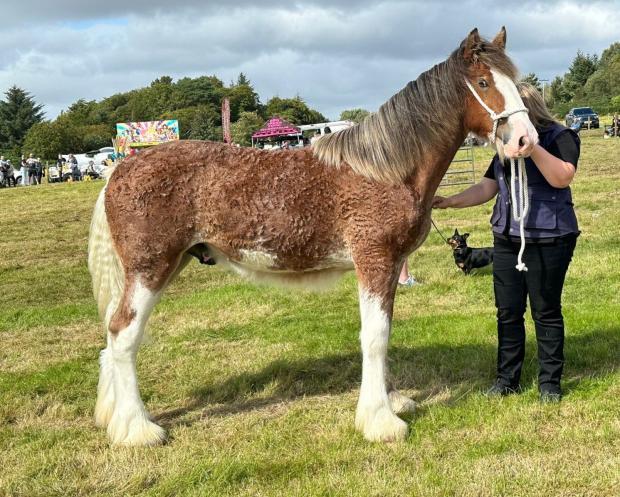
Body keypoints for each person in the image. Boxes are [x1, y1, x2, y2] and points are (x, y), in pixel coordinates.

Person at [433, 83, 579, 403]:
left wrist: (533, 148)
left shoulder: (560, 137)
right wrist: (449, 202)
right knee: (508, 312)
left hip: (549, 238)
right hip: (506, 240)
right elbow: (487, 188)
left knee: (545, 311)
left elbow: (562, 176)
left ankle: (549, 383)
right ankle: (507, 379)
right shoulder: (503, 148)